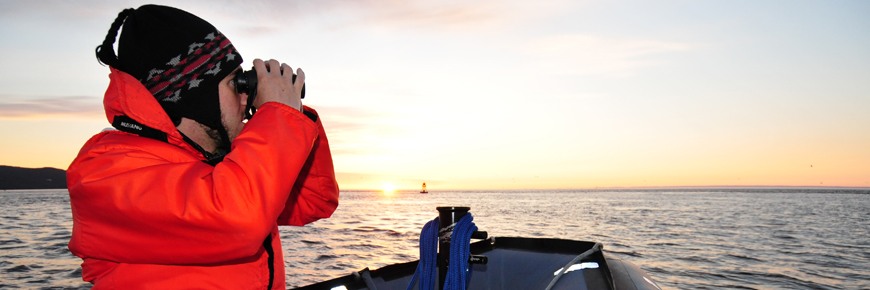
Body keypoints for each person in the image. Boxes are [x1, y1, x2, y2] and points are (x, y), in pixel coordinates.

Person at [66, 5, 339, 289]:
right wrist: (279, 116)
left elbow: (313, 201)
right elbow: (237, 219)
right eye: (236, 83)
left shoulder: (218, 164)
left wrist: (294, 117)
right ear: (196, 98)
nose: (247, 95)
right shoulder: (104, 173)